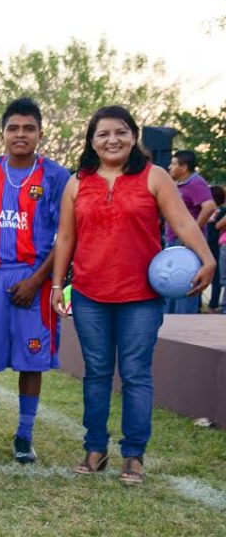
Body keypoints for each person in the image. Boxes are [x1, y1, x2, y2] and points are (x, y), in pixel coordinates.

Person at [51, 106, 216, 485]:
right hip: (91, 293)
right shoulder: (77, 182)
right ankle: (95, 448)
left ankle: (134, 455)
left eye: (120, 132)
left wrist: (208, 260)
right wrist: (58, 285)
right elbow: (65, 237)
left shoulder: (155, 176)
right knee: (96, 374)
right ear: (92, 141)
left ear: (134, 135)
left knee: (136, 374)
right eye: (103, 134)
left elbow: (182, 223)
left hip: (140, 296)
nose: (112, 140)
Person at [0, 98, 70, 464]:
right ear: (3, 134)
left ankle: (24, 435)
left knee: (32, 361)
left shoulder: (57, 176)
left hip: (34, 282)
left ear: (41, 133)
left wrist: (38, 281)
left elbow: (64, 236)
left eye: (28, 128)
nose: (21, 135)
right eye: (14, 128)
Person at [164, 150, 215, 313]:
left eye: (173, 163)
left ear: (183, 167)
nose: (169, 167)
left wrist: (193, 232)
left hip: (187, 244)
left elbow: (209, 206)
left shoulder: (195, 183)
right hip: (173, 241)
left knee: (185, 286)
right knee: (171, 287)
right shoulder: (178, 184)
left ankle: (184, 326)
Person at [210, 185, 226, 312]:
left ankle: (219, 306)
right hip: (218, 245)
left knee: (221, 278)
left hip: (220, 245)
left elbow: (218, 226)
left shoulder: (222, 211)